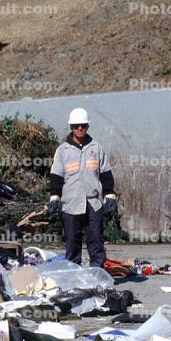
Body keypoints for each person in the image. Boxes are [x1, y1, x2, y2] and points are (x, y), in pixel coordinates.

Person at [48, 108, 117, 268]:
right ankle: (73, 276)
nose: (80, 129)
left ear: (87, 126)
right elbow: (56, 176)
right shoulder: (62, 150)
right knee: (72, 242)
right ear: (71, 127)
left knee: (96, 242)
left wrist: (110, 195)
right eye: (76, 126)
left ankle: (97, 275)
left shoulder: (96, 148)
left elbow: (106, 174)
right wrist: (54, 197)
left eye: (83, 126)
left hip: (93, 204)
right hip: (70, 205)